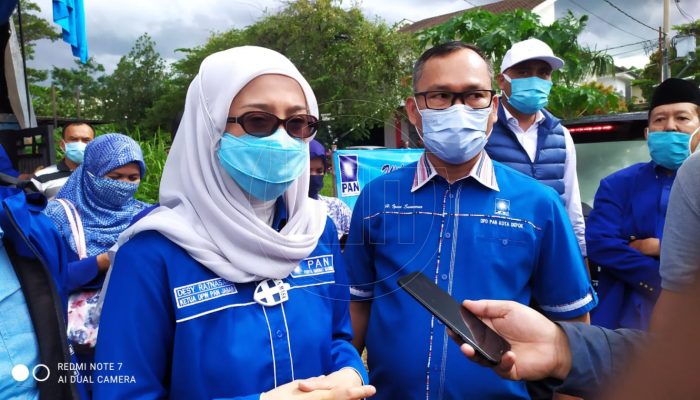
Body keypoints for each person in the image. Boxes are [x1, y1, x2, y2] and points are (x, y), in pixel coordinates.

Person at [93, 46, 374, 400]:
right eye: (258, 121)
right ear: (208, 128)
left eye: (298, 123)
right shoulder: (153, 254)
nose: (283, 141)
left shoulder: (316, 231)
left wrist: (350, 373)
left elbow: (337, 337)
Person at [344, 41, 595, 399]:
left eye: (475, 95)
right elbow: (357, 304)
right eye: (441, 96)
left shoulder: (539, 205)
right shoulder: (376, 198)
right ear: (414, 111)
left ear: (493, 108)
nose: (458, 109)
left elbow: (572, 326)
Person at [586, 78, 700, 330]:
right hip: (622, 320)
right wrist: (663, 283)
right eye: (659, 119)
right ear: (648, 133)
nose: (670, 127)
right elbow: (600, 244)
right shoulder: (617, 185)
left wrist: (659, 247)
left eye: (682, 118)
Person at [485, 38, 586, 257]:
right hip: (496, 253)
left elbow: (571, 204)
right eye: (523, 72)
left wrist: (579, 254)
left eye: (543, 73)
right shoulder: (484, 130)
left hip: (550, 252)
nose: (535, 79)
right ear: (502, 81)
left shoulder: (561, 135)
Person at [42, 133, 148, 301]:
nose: (124, 184)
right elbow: (44, 280)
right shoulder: (57, 217)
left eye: (133, 178)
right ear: (91, 173)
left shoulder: (145, 216)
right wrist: (102, 262)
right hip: (81, 321)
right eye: (115, 177)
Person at [30, 122, 95, 199]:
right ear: (62, 144)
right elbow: (31, 208)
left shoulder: (104, 174)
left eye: (86, 140)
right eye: (73, 139)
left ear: (95, 144)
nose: (79, 144)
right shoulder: (41, 177)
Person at [308, 139, 352, 242]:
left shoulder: (336, 207)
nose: (314, 176)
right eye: (308, 170)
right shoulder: (283, 211)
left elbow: (354, 243)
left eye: (319, 171)